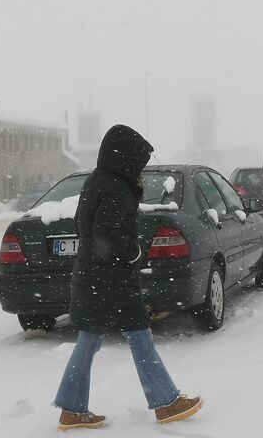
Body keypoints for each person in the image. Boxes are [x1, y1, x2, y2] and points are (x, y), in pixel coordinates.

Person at [54, 124, 202, 430]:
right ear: (125, 158)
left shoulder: (97, 181)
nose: (140, 168)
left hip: (93, 276)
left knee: (89, 340)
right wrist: (133, 253)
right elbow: (105, 233)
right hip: (113, 279)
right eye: (138, 161)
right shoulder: (116, 187)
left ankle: (71, 408)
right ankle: (167, 402)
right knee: (140, 337)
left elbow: (90, 230)